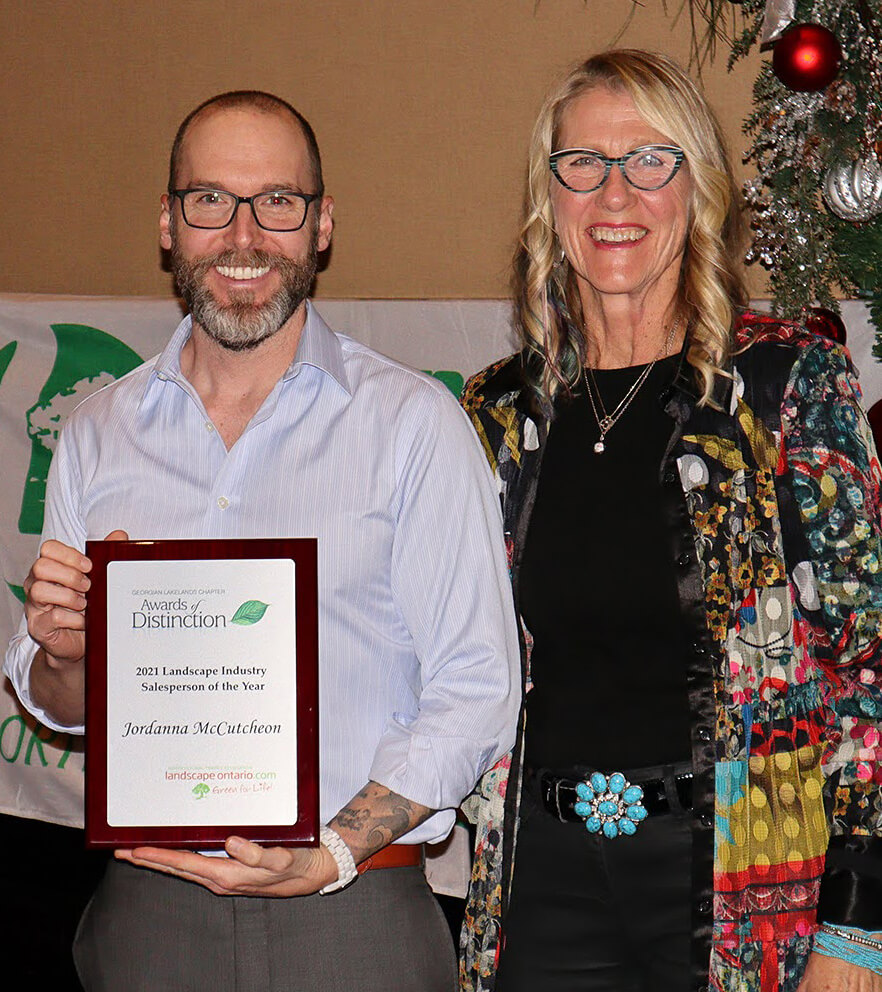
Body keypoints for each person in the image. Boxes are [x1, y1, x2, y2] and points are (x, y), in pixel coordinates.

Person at [4, 89, 520, 992]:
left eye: (278, 201)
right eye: (210, 199)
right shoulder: (97, 432)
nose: (243, 236)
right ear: (168, 222)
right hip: (150, 918)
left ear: (322, 224)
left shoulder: (411, 423)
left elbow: (477, 684)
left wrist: (332, 853)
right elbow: (62, 702)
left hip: (353, 916)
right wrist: (65, 653)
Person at [458, 50, 882, 992]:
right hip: (541, 880)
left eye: (651, 160)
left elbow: (868, 664)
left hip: (747, 885)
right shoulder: (498, 416)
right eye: (583, 163)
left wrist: (858, 926)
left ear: (698, 191)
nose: (615, 194)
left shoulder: (781, 386)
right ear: (549, 197)